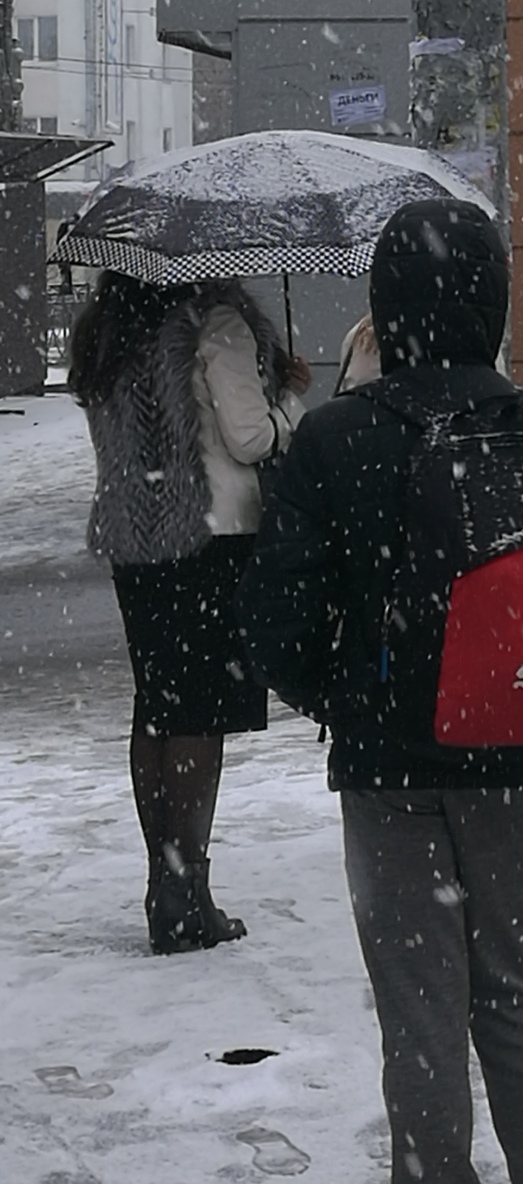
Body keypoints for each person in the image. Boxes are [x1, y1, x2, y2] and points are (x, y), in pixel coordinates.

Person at [240, 198, 523, 1184]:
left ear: (384, 309)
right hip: (511, 764)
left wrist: (345, 697)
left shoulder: (334, 440)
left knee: (420, 1014)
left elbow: (275, 618)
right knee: (513, 986)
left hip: (386, 773)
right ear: (494, 307)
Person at [68, 272, 307, 954]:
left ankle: (163, 882)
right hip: (210, 537)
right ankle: (189, 891)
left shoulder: (106, 331)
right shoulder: (218, 322)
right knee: (199, 711)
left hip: (136, 541)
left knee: (158, 706)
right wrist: (287, 394)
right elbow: (251, 439)